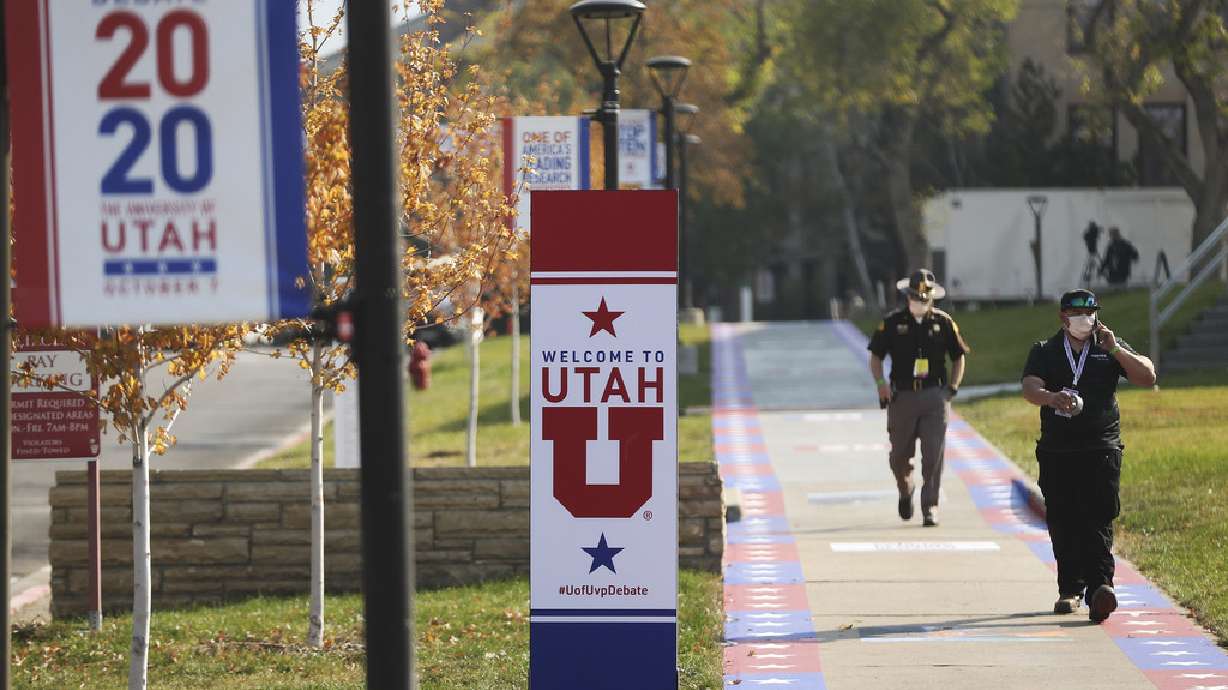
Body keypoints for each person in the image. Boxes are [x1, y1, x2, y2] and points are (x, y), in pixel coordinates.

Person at [1021, 288, 1156, 623]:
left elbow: (1147, 376)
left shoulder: (1109, 348)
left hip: (1102, 448)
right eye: (1077, 313)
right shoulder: (1046, 351)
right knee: (1064, 519)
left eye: (1090, 312)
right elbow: (1030, 387)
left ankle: (1100, 589)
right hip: (1058, 450)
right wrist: (1051, 398)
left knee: (1098, 517)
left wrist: (1116, 349)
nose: (1084, 319)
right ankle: (1069, 589)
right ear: (1063, 317)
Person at [868, 269, 969, 527]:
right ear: (907, 296)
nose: (920, 301)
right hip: (902, 397)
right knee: (898, 457)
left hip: (934, 397)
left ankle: (930, 507)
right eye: (915, 296)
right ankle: (906, 488)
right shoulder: (892, 323)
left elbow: (959, 356)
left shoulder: (944, 323)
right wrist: (881, 384)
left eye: (925, 297)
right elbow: (876, 356)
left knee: (933, 454)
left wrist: (952, 387)